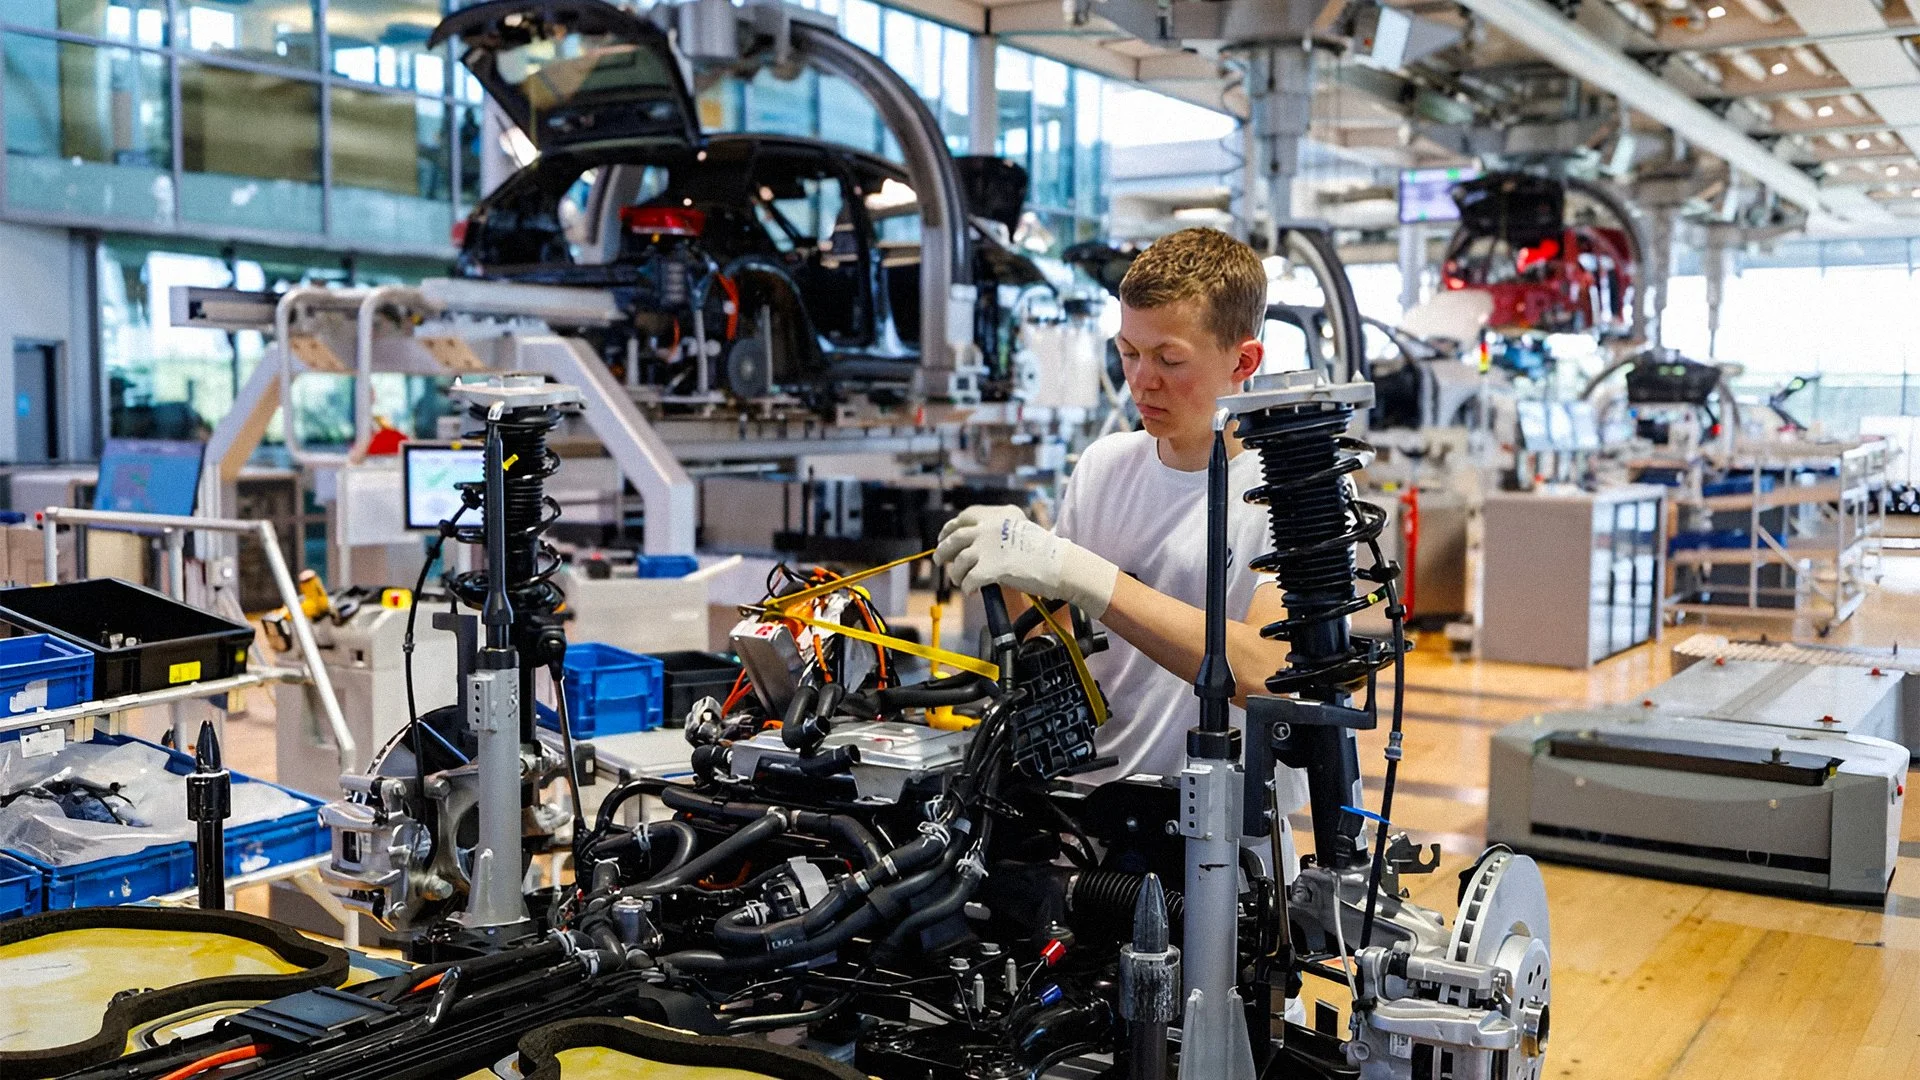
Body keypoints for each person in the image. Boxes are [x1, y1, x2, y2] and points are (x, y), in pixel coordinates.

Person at [935, 227, 1304, 814]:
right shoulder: (1105, 465)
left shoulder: (1290, 490)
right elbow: (1050, 649)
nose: (1141, 379)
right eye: (1129, 353)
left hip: (1226, 841)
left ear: (1245, 359)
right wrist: (1011, 565)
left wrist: (1084, 575)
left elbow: (1269, 673)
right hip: (1086, 814)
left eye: (1169, 359)